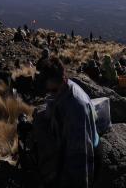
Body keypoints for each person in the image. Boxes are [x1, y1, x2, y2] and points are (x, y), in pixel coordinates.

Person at [38, 57, 100, 188]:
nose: (51, 94)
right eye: (48, 91)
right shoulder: (64, 87)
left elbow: (81, 156)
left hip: (79, 142)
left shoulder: (76, 109)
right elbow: (54, 101)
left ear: (63, 79)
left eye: (54, 91)